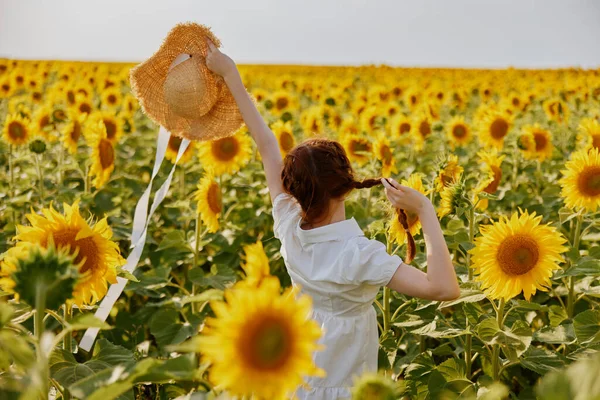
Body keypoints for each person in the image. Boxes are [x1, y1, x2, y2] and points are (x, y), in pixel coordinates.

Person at [205, 40, 461, 400]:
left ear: (295, 188)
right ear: (345, 186)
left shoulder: (289, 225)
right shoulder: (359, 255)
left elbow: (265, 145)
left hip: (296, 381)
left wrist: (230, 74)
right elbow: (444, 289)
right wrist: (426, 210)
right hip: (346, 389)